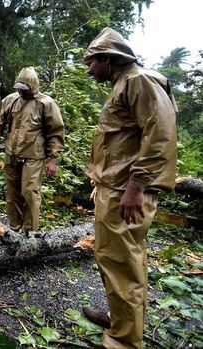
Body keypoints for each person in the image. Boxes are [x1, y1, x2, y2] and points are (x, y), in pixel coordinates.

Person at [82, 28, 178, 349]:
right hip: (115, 187)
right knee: (120, 260)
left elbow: (160, 135)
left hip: (127, 191)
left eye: (91, 62)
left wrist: (136, 187)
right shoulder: (123, 83)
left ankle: (123, 341)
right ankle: (123, 321)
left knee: (121, 262)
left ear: (108, 59)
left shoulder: (139, 81)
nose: (88, 69)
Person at [0, 67, 64, 232]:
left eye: (24, 89)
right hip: (11, 153)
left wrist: (52, 159)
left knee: (29, 193)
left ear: (33, 87)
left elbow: (55, 132)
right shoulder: (10, 100)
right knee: (12, 195)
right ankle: (14, 228)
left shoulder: (46, 103)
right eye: (19, 88)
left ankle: (29, 233)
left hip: (34, 155)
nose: (21, 91)